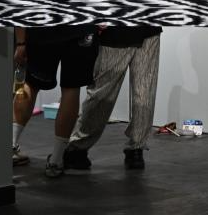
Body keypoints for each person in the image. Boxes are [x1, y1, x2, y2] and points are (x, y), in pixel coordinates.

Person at [62, 25, 162, 171]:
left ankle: (135, 147)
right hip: (119, 33)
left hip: (141, 31)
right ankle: (78, 147)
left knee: (143, 94)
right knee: (103, 95)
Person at [12, 24, 99, 178]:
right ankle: (56, 161)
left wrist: (20, 42)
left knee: (30, 84)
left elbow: (20, 9)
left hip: (43, 27)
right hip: (80, 28)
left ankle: (10, 146)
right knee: (71, 88)